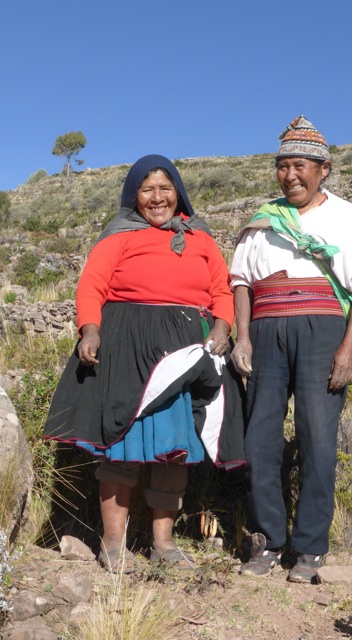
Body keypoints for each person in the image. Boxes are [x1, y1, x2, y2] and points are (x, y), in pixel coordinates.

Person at [45, 154, 245, 574]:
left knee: (174, 451)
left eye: (165, 188)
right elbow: (93, 285)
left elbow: (221, 291)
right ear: (134, 195)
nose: (158, 198)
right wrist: (90, 330)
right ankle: (113, 546)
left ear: (179, 193)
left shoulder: (201, 239)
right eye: (148, 189)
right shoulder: (118, 235)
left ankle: (164, 545)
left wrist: (223, 327)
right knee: (122, 444)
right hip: (127, 347)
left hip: (184, 355)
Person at [229, 116, 352, 583]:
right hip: (266, 330)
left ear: (324, 169)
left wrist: (348, 348)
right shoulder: (263, 218)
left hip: (323, 332)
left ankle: (311, 546)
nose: (290, 175)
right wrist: (242, 337)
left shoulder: (344, 214)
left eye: (300, 166)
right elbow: (240, 281)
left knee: (318, 439)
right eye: (282, 166)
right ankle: (268, 541)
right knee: (260, 441)